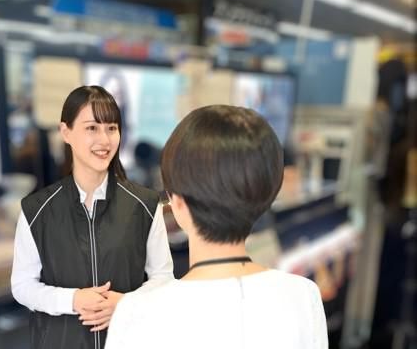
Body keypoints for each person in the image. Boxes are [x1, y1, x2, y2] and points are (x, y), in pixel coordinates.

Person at [105, 105, 328, 349]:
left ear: (177, 203)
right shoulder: (304, 295)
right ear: (267, 194)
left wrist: (132, 311)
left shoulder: (136, 314)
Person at [11, 86, 174, 349]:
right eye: (92, 128)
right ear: (66, 132)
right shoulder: (37, 210)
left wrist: (125, 303)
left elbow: (163, 278)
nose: (104, 139)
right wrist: (73, 300)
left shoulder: (144, 205)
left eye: (112, 128)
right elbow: (22, 286)